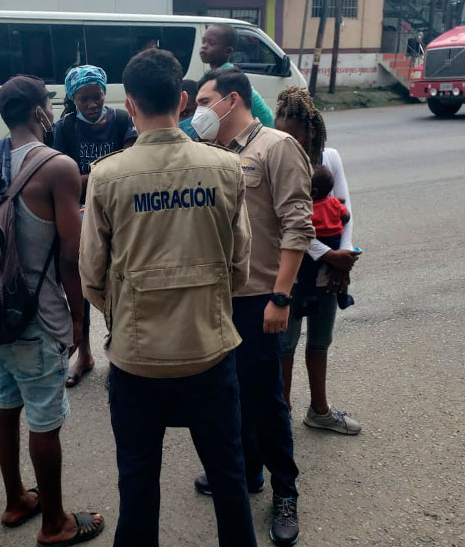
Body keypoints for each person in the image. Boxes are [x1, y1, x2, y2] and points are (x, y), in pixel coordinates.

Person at [80, 49, 256, 547]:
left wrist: (127, 312)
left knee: (137, 487)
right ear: (182, 101)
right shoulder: (225, 168)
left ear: (128, 105)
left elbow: (92, 275)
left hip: (137, 363)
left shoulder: (107, 176)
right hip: (209, 353)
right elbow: (240, 267)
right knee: (228, 479)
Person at [0, 75, 105, 547]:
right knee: (45, 420)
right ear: (37, 111)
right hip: (37, 313)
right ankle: (55, 523)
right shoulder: (58, 167)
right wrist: (77, 318)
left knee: (8, 406)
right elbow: (71, 254)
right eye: (47, 106)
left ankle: (16, 500)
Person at [190, 68, 314, 547]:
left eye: (204, 99)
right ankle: (248, 472)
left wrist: (281, 296)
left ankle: (286, 490)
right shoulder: (212, 155)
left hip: (262, 298)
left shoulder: (276, 148)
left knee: (265, 398)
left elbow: (297, 226)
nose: (197, 109)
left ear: (231, 99)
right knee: (228, 391)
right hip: (220, 297)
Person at [275, 86, 362, 435]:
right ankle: (282, 410)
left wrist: (346, 256)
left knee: (320, 341)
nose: (287, 144)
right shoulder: (276, 160)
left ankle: (319, 410)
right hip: (291, 270)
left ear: (312, 131)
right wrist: (328, 254)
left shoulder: (330, 158)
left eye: (293, 136)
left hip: (330, 269)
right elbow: (283, 224)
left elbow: (344, 209)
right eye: (281, 136)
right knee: (285, 343)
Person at [51, 65, 137, 388]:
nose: (92, 104)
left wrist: (87, 177)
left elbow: (129, 165)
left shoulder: (120, 120)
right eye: (84, 99)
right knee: (84, 284)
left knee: (119, 282)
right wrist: (104, 172)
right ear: (73, 100)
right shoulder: (66, 128)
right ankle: (84, 353)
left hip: (117, 212)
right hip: (80, 216)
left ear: (104, 94)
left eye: (97, 97)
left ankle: (120, 354)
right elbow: (65, 178)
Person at [293, 165, 355, 315]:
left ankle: (310, 300)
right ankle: (343, 297)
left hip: (318, 242)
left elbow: (299, 228)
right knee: (336, 272)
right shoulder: (334, 202)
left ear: (312, 192)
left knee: (307, 273)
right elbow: (346, 217)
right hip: (334, 241)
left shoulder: (307, 208)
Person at [199, 23, 275, 128]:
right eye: (204, 42)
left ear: (228, 51)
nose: (204, 46)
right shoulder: (220, 74)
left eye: (211, 43)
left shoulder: (226, 78)